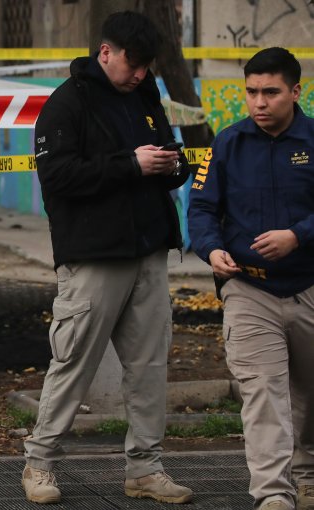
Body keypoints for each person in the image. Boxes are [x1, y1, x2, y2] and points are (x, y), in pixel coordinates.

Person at [23, 11, 193, 504]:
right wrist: (131, 165)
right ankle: (40, 463)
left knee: (149, 366)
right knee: (73, 361)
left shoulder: (144, 96)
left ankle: (145, 468)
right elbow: (57, 177)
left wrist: (171, 163)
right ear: (106, 52)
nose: (140, 73)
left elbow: (164, 155)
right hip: (95, 256)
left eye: (147, 65)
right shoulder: (67, 103)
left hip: (149, 253)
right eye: (132, 63)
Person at [188, 47, 313, 510]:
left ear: (296, 92)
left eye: (271, 93)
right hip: (248, 287)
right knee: (262, 391)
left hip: (308, 284)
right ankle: (273, 495)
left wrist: (297, 236)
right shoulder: (228, 142)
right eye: (251, 92)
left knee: (308, 394)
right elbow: (200, 208)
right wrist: (211, 249)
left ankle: (307, 474)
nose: (259, 103)